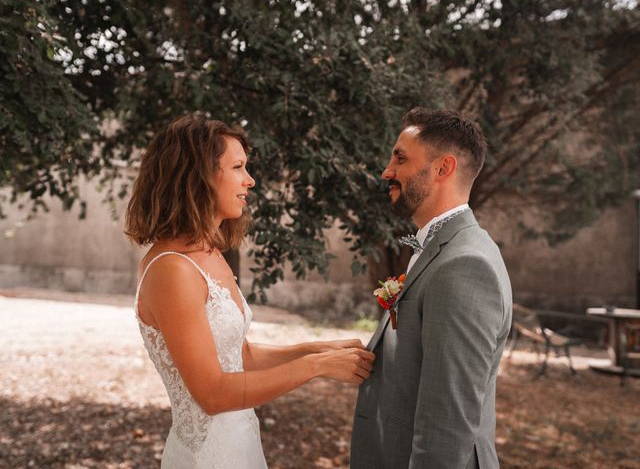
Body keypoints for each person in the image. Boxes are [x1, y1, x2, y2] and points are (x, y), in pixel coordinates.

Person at [124, 114, 374, 468]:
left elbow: (238, 356)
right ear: (200, 177)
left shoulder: (208, 253)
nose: (250, 180)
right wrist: (316, 366)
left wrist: (318, 348)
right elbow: (212, 393)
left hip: (240, 447)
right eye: (238, 167)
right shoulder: (172, 270)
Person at [350, 108, 512, 469]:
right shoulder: (440, 248)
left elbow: (447, 426)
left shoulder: (464, 266)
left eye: (400, 158)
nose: (386, 172)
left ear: (443, 168)